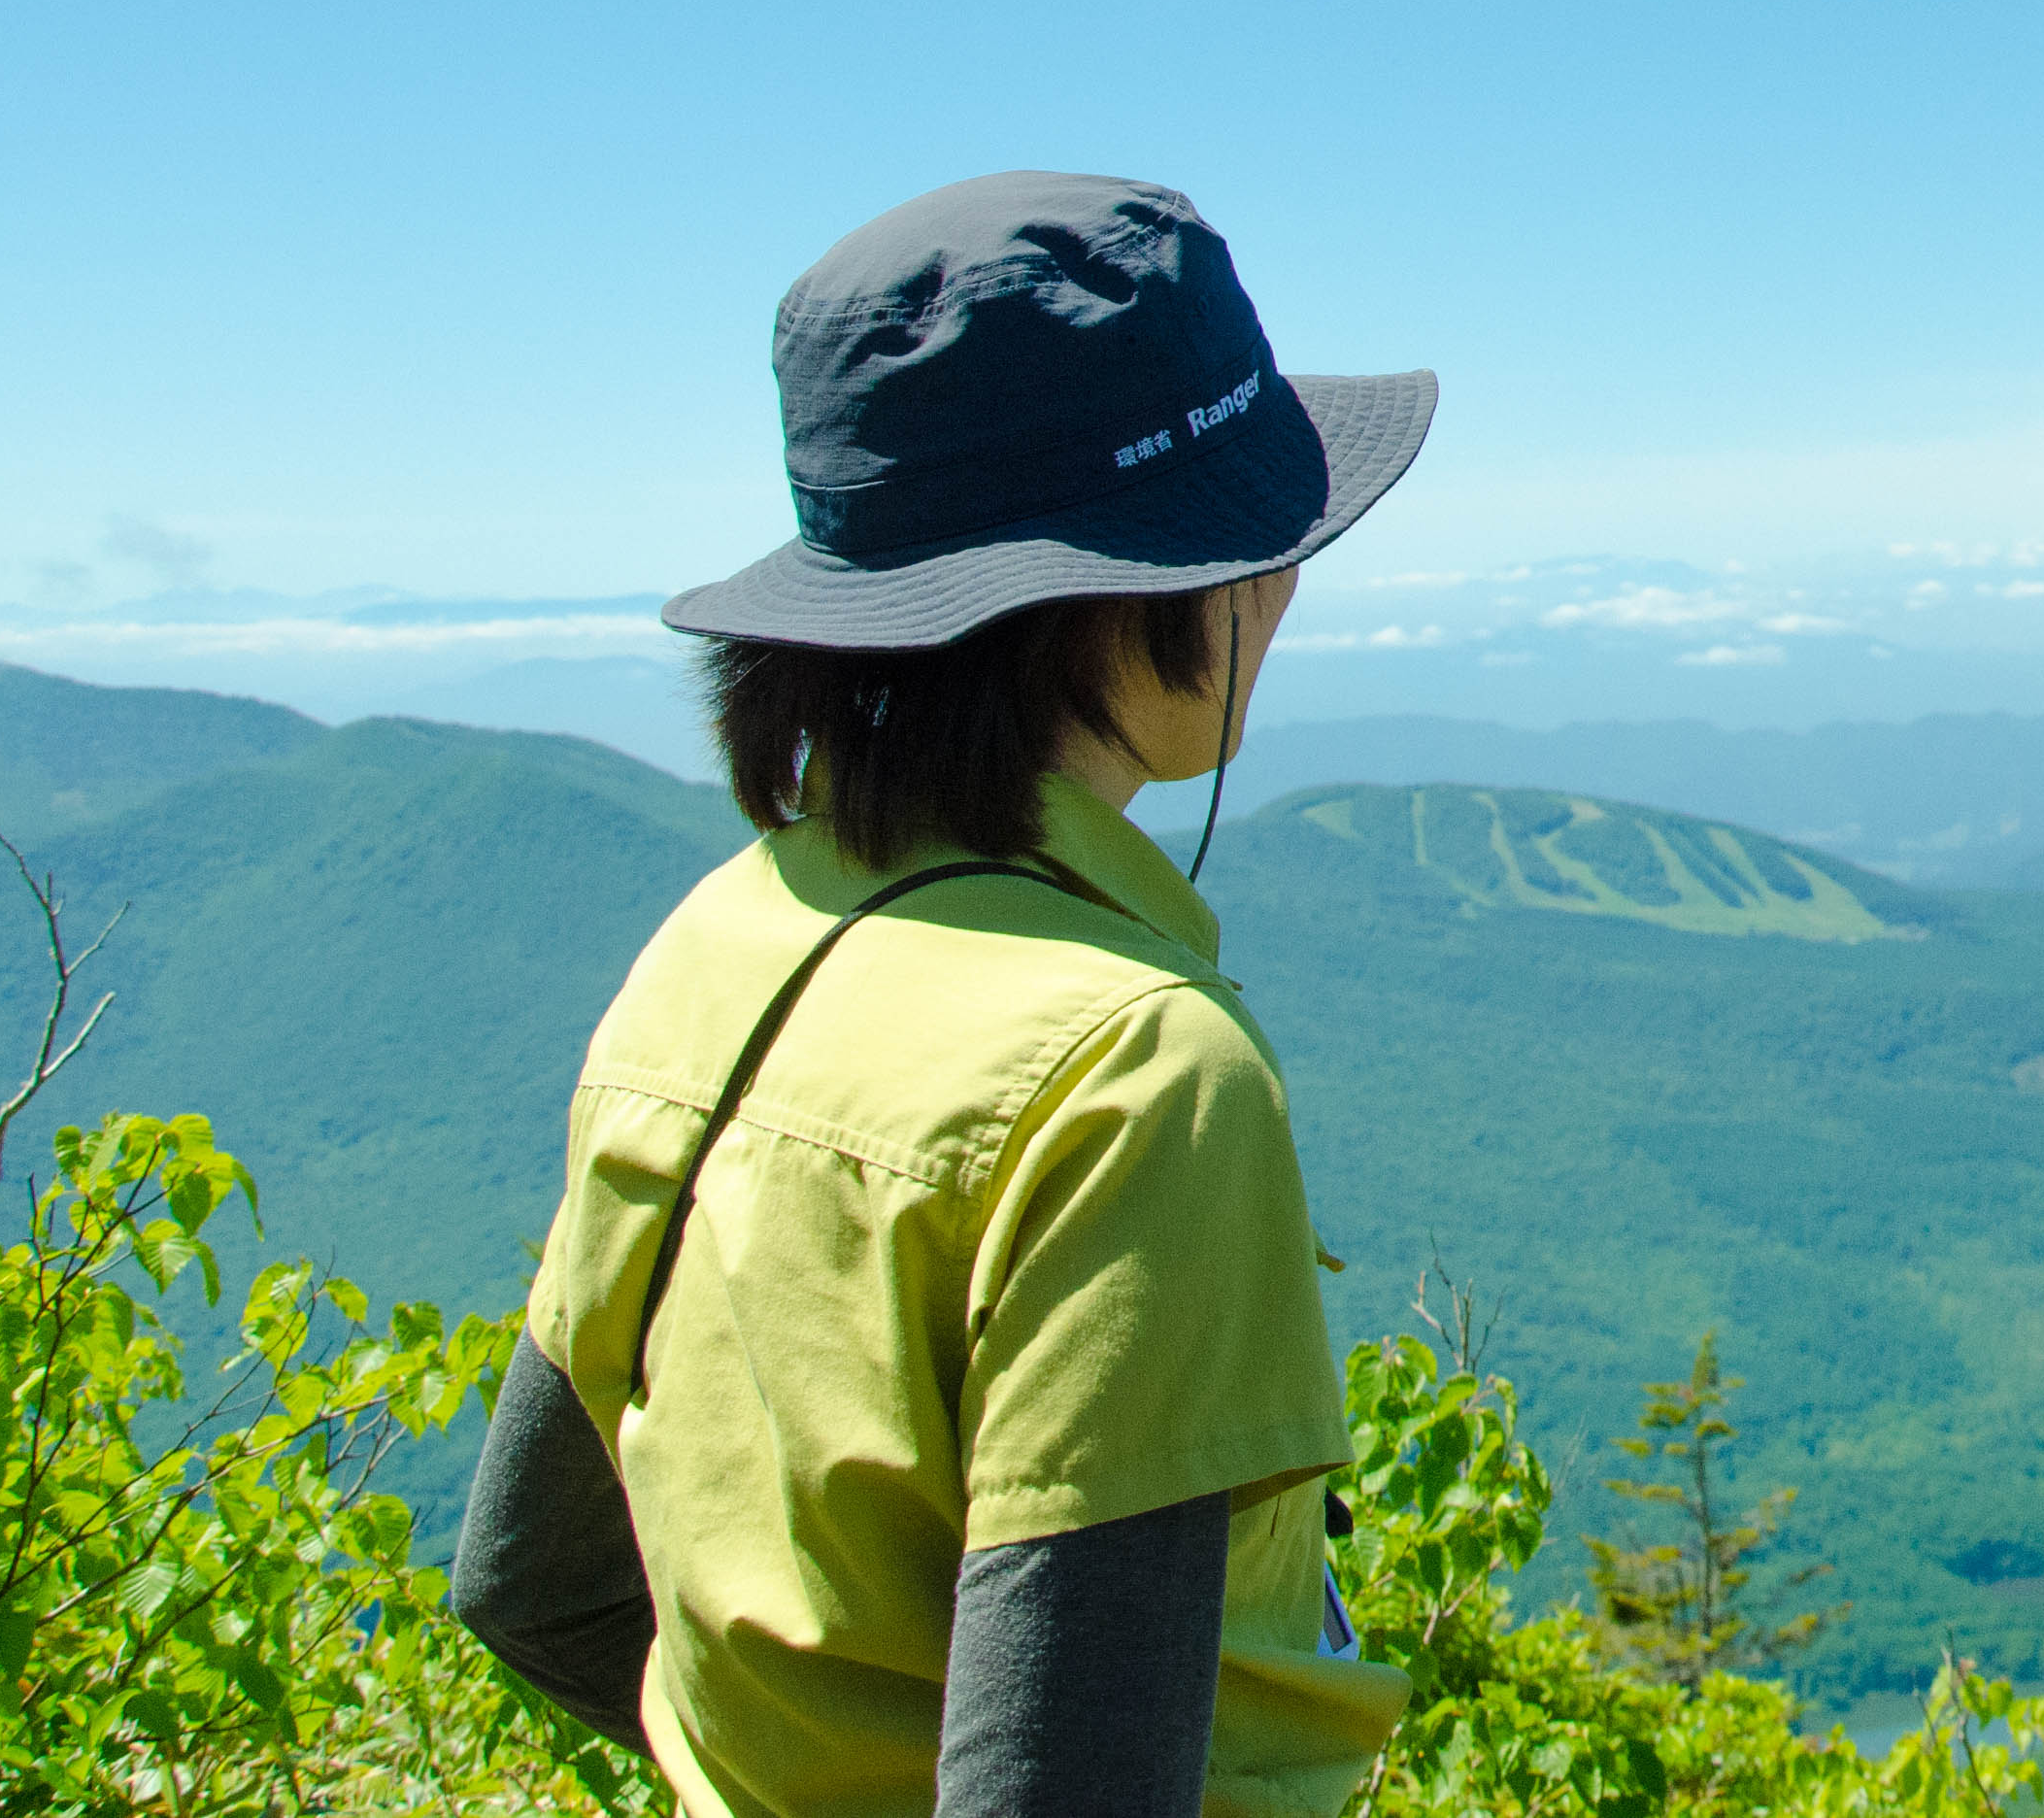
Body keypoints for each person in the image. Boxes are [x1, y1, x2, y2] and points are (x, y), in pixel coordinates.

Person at [453, 171, 1435, 1818]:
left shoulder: (715, 945)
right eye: (1260, 539)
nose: (1282, 589)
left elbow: (531, 1581)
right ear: (1141, 588)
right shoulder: (1135, 1075)